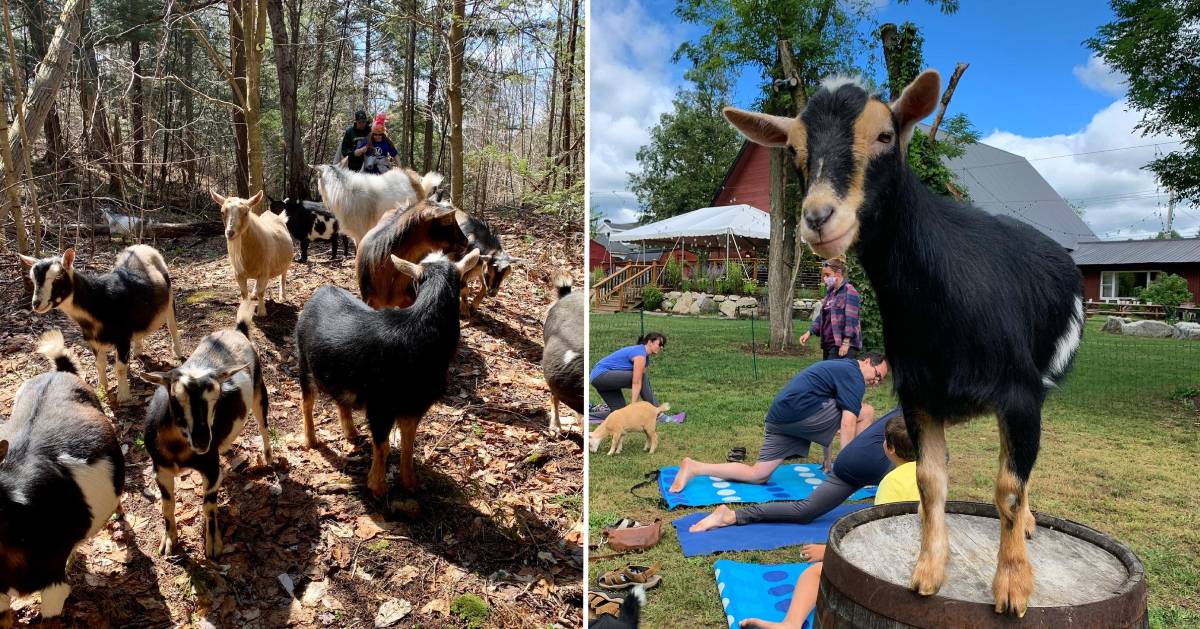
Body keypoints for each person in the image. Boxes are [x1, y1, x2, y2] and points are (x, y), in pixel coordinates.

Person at [739, 414, 918, 629]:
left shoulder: (891, 482)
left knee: (814, 573)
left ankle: (790, 623)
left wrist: (829, 553)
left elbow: (880, 536)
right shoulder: (934, 474)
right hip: (923, 562)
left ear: (890, 449)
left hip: (894, 569)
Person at [669, 353, 887, 506]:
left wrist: (828, 459)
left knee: (758, 475)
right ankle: (856, 470)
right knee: (865, 411)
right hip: (800, 415)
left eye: (881, 380)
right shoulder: (854, 374)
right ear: (866, 361)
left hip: (780, 418)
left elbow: (831, 410)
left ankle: (695, 467)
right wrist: (844, 470)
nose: (876, 381)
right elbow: (847, 422)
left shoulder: (840, 369)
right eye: (876, 374)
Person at [687, 406, 904, 532]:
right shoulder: (921, 409)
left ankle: (731, 516)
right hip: (868, 461)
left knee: (805, 511)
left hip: (851, 460)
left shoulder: (914, 400)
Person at [590, 333, 666, 422]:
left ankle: (588, 415)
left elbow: (641, 385)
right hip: (601, 376)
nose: (661, 347)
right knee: (642, 377)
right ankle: (658, 413)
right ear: (650, 342)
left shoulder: (645, 357)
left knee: (619, 413)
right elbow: (637, 382)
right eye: (660, 344)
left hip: (598, 379)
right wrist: (633, 406)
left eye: (663, 345)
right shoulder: (640, 354)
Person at [799, 259, 861, 360]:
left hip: (841, 345)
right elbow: (822, 316)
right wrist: (809, 332)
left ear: (838, 273)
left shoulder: (849, 291)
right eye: (824, 275)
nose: (825, 278)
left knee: (836, 375)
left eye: (828, 275)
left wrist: (846, 343)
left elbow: (851, 319)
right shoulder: (830, 293)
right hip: (828, 344)